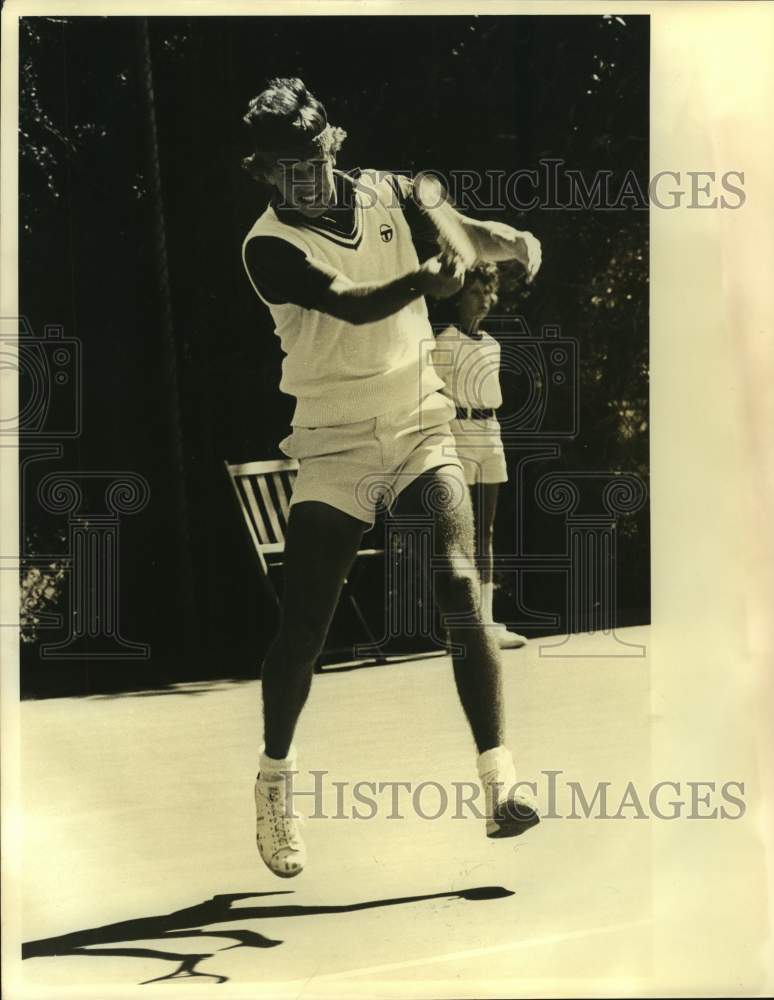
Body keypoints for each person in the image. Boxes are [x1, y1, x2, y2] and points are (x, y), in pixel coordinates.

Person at [240, 77, 542, 878]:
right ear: (264, 174)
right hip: (333, 446)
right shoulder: (268, 246)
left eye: (309, 159)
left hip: (417, 420)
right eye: (281, 168)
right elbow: (349, 300)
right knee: (303, 629)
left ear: (332, 145)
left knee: (455, 577)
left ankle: (500, 785)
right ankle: (275, 782)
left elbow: (441, 206)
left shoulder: (386, 190)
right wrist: (428, 281)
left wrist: (498, 235)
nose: (300, 178)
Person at [430, 263, 528, 649]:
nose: (482, 300)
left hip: (491, 435)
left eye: (487, 292)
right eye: (474, 292)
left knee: (486, 531)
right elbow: (432, 397)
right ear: (458, 296)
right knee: (461, 532)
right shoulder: (445, 342)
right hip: (457, 435)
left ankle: (486, 622)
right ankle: (461, 625)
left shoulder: (492, 345)